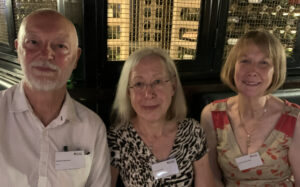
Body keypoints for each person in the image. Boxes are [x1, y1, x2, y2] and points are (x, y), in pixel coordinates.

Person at [0, 9, 111, 186]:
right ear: (17, 49)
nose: (46, 54)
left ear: (76, 58)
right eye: (33, 42)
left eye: (60, 46)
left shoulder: (92, 128)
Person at [201, 30, 300, 186]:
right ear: (233, 66)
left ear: (276, 71)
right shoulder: (212, 115)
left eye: (264, 63)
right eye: (245, 61)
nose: (253, 71)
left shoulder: (294, 118)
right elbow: (212, 177)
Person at [108, 47, 215, 187]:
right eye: (139, 83)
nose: (149, 94)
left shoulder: (192, 132)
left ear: (173, 86)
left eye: (157, 81)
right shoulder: (117, 137)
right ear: (128, 92)